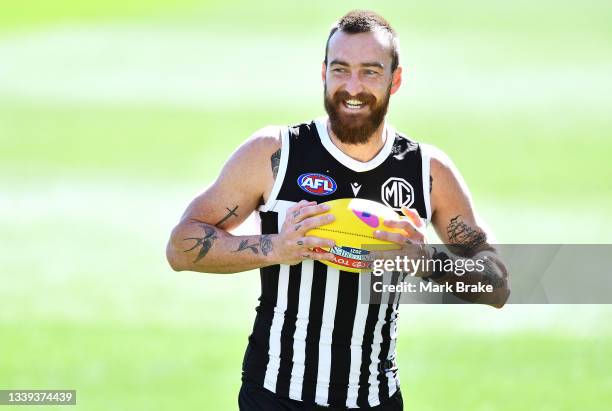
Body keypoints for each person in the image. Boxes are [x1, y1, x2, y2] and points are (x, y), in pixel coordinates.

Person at [166, 9, 510, 410]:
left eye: (370, 71)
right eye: (341, 69)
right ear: (323, 73)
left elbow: (498, 284)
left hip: (375, 399)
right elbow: (180, 247)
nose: (352, 86)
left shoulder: (426, 170)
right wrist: (276, 247)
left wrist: (425, 259)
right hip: (276, 395)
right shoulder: (275, 153)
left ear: (395, 80)